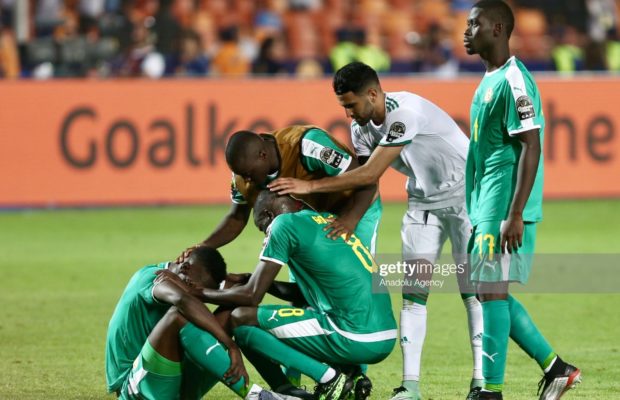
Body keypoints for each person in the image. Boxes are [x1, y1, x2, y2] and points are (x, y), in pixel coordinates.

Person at [269, 62, 484, 400]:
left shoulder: (405, 113)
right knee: (413, 294)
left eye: (351, 105)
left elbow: (369, 174)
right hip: (422, 202)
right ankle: (410, 387)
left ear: (372, 94)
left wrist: (309, 188)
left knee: (471, 291)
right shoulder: (361, 128)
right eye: (343, 106)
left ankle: (481, 382)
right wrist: (351, 219)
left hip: (467, 197)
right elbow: (368, 184)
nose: (348, 114)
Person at [462, 2, 581, 399]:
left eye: (474, 24)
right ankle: (556, 369)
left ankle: (491, 391)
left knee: (491, 290)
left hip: (504, 202)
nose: (467, 31)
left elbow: (532, 144)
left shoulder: (514, 80)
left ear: (497, 28)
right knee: (485, 290)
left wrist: (514, 213)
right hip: (487, 200)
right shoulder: (491, 77)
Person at [193, 190, 397, 400]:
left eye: (263, 227)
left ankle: (326, 380)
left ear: (269, 217)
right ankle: (350, 374)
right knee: (300, 313)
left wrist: (199, 293)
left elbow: (251, 297)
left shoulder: (283, 225)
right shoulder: (326, 220)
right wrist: (251, 279)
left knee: (241, 319)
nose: (266, 234)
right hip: (385, 334)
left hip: (354, 335)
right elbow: (302, 294)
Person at [104, 246, 283, 400]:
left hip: (169, 378)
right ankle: (256, 396)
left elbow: (222, 290)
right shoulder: (154, 277)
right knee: (179, 315)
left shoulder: (186, 273)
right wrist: (232, 347)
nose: (195, 292)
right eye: (193, 286)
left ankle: (285, 389)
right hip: (135, 387)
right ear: (186, 268)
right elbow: (183, 300)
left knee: (232, 310)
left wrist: (238, 279)